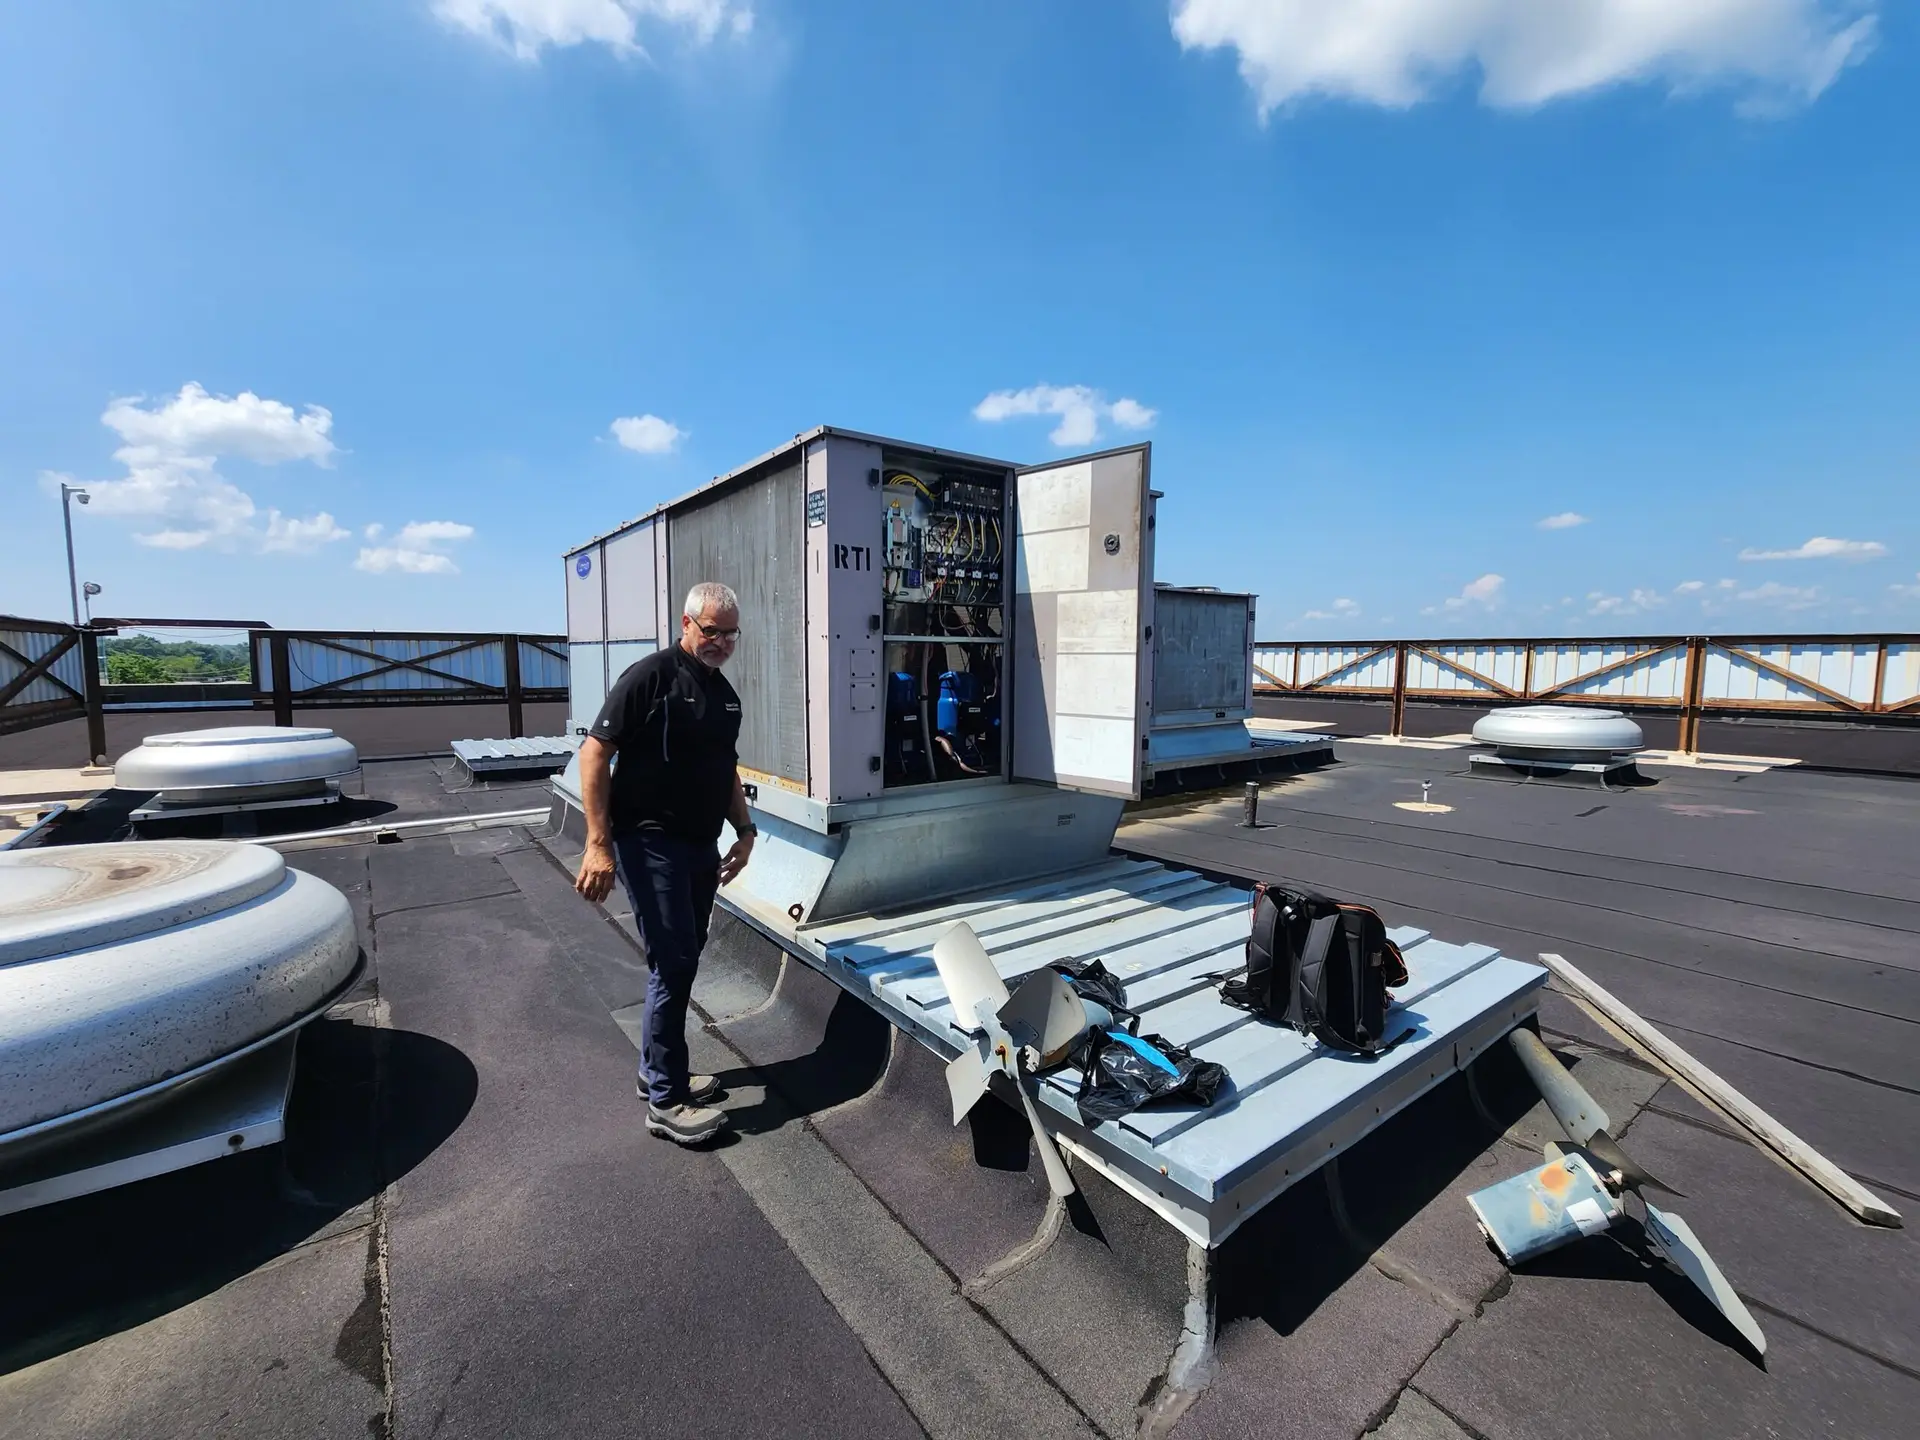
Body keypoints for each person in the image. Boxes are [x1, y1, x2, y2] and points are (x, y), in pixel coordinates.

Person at [573, 581, 757, 1145]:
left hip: (699, 845)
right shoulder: (650, 676)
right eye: (711, 631)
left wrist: (745, 830)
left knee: (682, 958)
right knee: (673, 964)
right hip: (648, 843)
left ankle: (660, 1070)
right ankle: (665, 1101)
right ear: (685, 623)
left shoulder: (725, 696)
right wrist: (598, 843)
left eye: (730, 634)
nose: (721, 642)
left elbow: (725, 770)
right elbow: (594, 753)